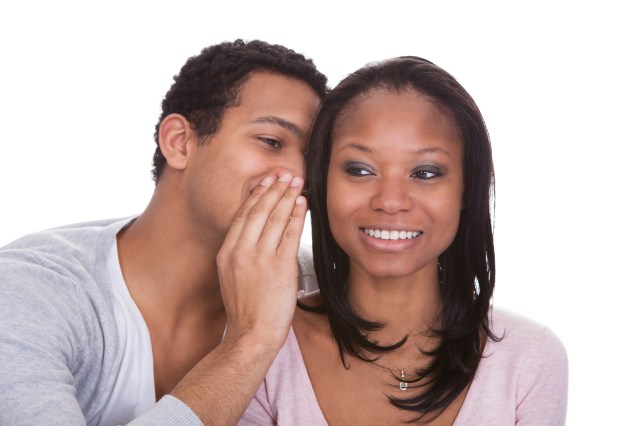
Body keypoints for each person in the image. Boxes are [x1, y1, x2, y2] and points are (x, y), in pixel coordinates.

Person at [0, 39, 328, 425]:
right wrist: (252, 340)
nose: (298, 175)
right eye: (271, 141)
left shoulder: (315, 289)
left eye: (311, 158)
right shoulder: (27, 291)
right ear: (179, 143)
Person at [240, 57, 569, 425]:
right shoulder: (262, 346)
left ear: (466, 188)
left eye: (425, 172)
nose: (390, 201)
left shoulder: (531, 360)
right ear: (321, 181)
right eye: (360, 169)